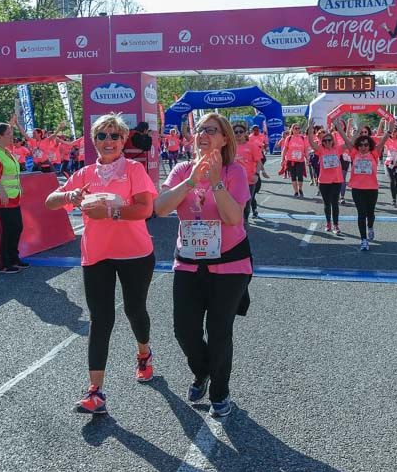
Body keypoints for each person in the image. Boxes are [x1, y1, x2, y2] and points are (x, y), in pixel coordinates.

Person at [46, 114, 157, 415]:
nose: (108, 141)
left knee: (135, 310)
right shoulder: (83, 174)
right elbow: (50, 202)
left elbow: (146, 209)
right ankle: (95, 392)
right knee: (101, 319)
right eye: (102, 136)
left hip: (135, 253)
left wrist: (110, 213)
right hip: (96, 255)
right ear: (93, 141)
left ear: (123, 141)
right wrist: (68, 194)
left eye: (114, 136)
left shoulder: (134, 169)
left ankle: (144, 353)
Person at [155, 113, 251, 418]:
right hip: (189, 265)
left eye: (211, 130)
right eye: (199, 130)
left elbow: (234, 218)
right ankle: (202, 371)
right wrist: (192, 181)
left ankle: (220, 391)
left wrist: (215, 182)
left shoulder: (235, 171)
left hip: (230, 265)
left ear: (224, 139)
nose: (203, 135)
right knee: (184, 330)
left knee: (219, 331)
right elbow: (160, 208)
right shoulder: (183, 169)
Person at [0, 123, 27, 274]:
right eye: (8, 133)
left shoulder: (6, 152)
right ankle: (1, 264)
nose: (11, 136)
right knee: (2, 232)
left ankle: (13, 258)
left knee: (16, 228)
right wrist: (2, 193)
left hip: (12, 199)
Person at [336, 119, 386, 251]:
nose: (363, 147)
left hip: (372, 189)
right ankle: (363, 239)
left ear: (369, 146)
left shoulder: (374, 154)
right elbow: (346, 140)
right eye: (361, 145)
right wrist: (339, 128)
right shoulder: (354, 153)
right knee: (361, 214)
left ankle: (370, 226)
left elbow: (383, 141)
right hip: (357, 189)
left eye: (366, 144)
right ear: (358, 146)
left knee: (371, 214)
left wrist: (390, 130)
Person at [309, 124, 346, 234]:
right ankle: (328, 223)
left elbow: (350, 142)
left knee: (335, 203)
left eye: (329, 140)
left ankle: (335, 225)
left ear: (333, 141)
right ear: (322, 142)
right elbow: (311, 142)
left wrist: (340, 129)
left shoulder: (338, 149)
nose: (327, 142)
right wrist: (310, 127)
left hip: (336, 180)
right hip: (324, 181)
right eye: (325, 140)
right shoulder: (320, 150)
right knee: (327, 204)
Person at [232, 122, 265, 222]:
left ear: (245, 133)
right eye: (236, 132)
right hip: (232, 181)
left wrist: (257, 174)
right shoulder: (229, 147)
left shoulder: (252, 146)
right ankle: (238, 223)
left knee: (246, 204)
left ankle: (244, 221)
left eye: (241, 132)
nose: (238, 134)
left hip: (249, 180)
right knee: (233, 203)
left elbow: (259, 162)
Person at [278, 122, 310, 197]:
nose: (297, 130)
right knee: (293, 176)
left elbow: (306, 149)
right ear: (292, 129)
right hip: (291, 160)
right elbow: (285, 150)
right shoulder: (289, 138)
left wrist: (307, 159)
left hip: (300, 160)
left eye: (298, 128)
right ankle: (296, 191)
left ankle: (300, 189)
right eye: (295, 128)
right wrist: (282, 159)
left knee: (300, 176)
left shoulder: (303, 138)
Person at [383, 126, 397, 205]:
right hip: (389, 163)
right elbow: (379, 136)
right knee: (392, 180)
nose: (393, 132)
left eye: (395, 131)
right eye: (392, 131)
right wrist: (382, 124)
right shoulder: (387, 140)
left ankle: (394, 197)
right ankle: (393, 198)